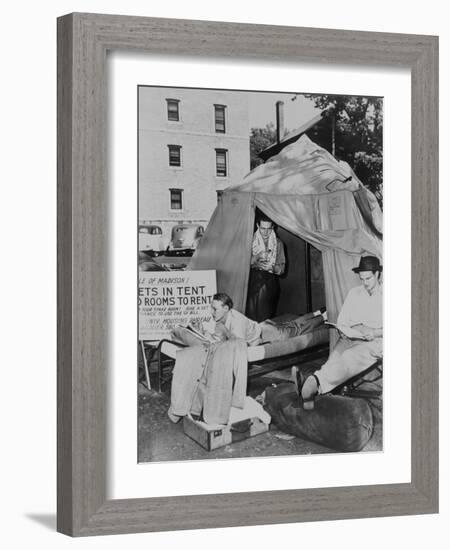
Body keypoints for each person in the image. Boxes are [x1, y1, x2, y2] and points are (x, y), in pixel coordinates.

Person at [298, 256, 383, 410]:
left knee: (349, 357)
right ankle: (313, 390)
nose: (365, 283)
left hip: (376, 341)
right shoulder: (354, 293)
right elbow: (343, 319)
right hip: (353, 337)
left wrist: (375, 333)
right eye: (362, 279)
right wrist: (343, 330)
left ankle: (314, 382)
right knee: (334, 359)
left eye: (368, 278)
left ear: (377, 274)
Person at [208, 292, 325, 346]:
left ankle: (323, 317)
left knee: (299, 329)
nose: (212, 312)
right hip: (264, 327)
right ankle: (317, 312)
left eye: (215, 309)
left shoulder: (236, 321)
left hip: (269, 334)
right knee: (292, 323)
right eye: (211, 308)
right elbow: (218, 338)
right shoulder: (220, 320)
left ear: (226, 308)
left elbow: (239, 348)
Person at [246, 213, 286, 322]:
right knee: (251, 317)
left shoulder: (278, 243)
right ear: (257, 226)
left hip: (269, 282)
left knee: (264, 318)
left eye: (269, 229)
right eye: (263, 228)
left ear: (273, 227)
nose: (265, 232)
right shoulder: (248, 241)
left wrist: (272, 268)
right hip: (251, 281)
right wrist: (256, 260)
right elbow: (241, 263)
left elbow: (282, 269)